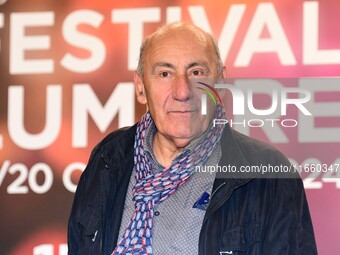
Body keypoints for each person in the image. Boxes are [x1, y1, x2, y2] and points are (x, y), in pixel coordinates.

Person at [67, 22, 317, 255]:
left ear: (219, 82)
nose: (182, 91)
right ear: (141, 87)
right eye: (165, 73)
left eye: (196, 72)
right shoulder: (108, 158)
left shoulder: (268, 174)